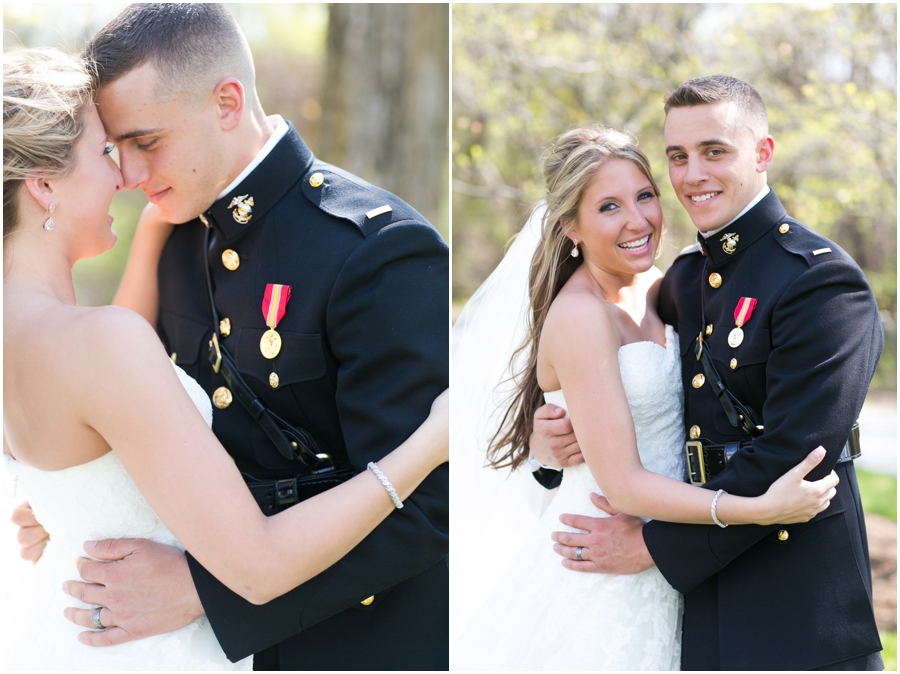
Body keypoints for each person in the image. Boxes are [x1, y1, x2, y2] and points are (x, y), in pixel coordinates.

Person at [7, 3, 449, 671]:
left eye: (146, 142)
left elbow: (431, 508)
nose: (126, 175)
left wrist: (205, 591)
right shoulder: (170, 238)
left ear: (226, 102)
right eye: (113, 148)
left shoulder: (375, 250)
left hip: (351, 646)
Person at [451, 124, 840, 670]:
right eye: (609, 207)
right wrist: (754, 508)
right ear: (570, 227)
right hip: (602, 560)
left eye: (645, 196)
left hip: (670, 559)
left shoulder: (668, 284)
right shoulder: (580, 316)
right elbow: (625, 484)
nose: (637, 221)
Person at [529, 76, 884, 670]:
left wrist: (651, 545)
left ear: (762, 153)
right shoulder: (685, 281)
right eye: (677, 157)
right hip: (691, 598)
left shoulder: (820, 282)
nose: (693, 175)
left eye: (714, 151)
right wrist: (548, 441)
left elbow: (794, 456)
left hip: (792, 591)